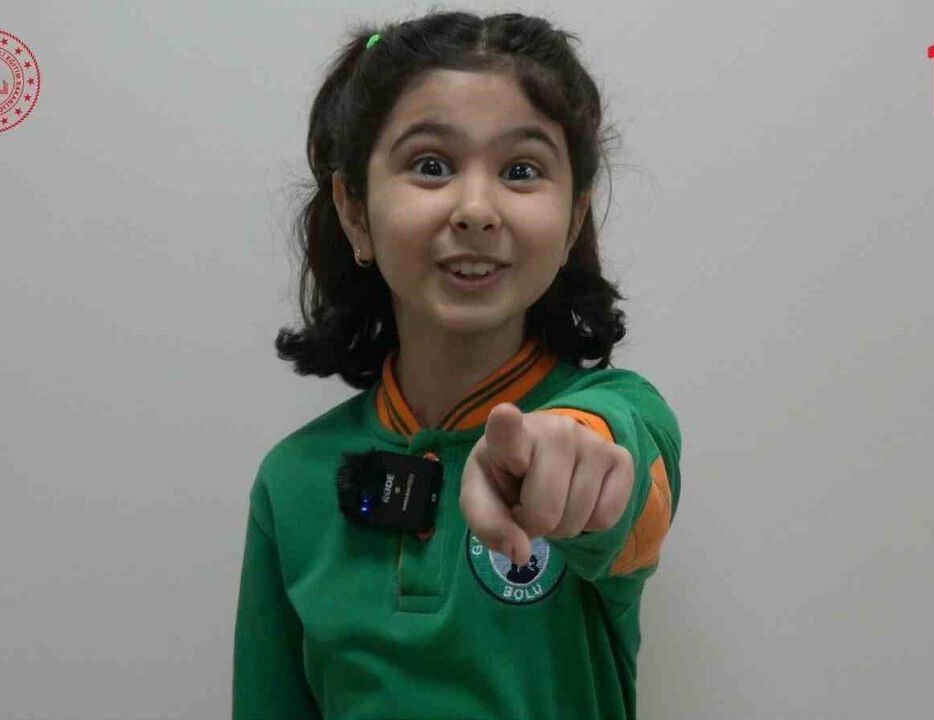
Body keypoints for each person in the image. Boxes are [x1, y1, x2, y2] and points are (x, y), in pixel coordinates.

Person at [232, 10, 682, 720]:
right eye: (431, 165)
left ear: (573, 220)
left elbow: (620, 468)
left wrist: (570, 451)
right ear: (355, 211)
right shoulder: (291, 481)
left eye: (521, 170)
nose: (476, 209)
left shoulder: (623, 416)